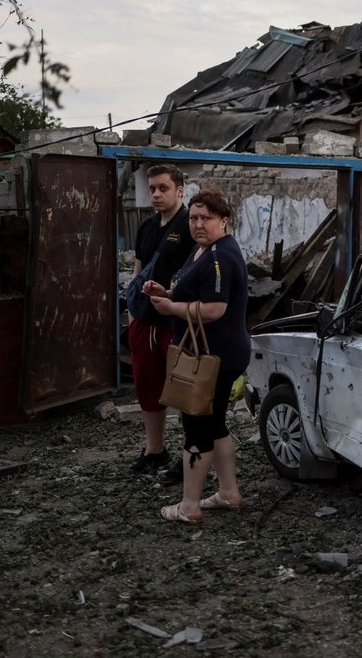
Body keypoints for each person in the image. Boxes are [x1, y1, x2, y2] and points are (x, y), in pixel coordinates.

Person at [145, 188, 250, 523]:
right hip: (216, 355)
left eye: (207, 218)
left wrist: (171, 307)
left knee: (197, 427)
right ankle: (229, 493)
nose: (199, 224)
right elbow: (198, 290)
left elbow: (216, 308)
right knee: (216, 424)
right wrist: (169, 292)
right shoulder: (206, 250)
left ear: (223, 220)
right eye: (193, 218)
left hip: (213, 358)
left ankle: (189, 506)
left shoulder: (220, 256)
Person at [127, 164, 192, 484]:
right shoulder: (147, 226)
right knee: (146, 386)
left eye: (163, 188)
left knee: (183, 392)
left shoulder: (191, 224)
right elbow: (139, 267)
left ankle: (187, 459)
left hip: (176, 321)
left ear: (180, 190)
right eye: (152, 188)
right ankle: (155, 450)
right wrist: (132, 311)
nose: (155, 194)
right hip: (145, 320)